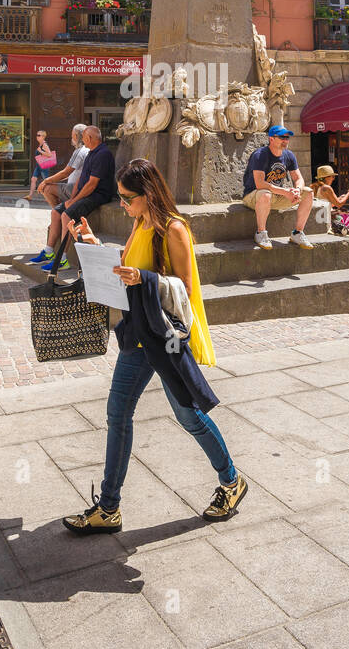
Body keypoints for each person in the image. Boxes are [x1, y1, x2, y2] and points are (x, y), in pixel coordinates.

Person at [61, 157, 248, 533]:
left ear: (148, 194)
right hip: (138, 333)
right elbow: (130, 265)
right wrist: (95, 245)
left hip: (165, 337)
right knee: (118, 413)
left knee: (189, 416)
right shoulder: (140, 221)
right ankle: (109, 506)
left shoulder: (174, 228)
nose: (124, 205)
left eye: (129, 197)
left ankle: (231, 482)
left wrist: (143, 278)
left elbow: (185, 288)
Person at [38, 124, 117, 273]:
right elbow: (81, 180)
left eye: (84, 138)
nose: (82, 140)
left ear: (90, 138)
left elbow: (92, 184)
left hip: (98, 195)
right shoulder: (91, 152)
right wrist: (72, 198)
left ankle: (62, 259)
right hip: (86, 193)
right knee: (56, 212)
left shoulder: (103, 154)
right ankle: (49, 250)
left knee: (66, 215)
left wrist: (73, 201)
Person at [243, 125, 316, 250]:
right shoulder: (260, 155)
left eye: (287, 138)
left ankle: (297, 233)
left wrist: (297, 190)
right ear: (271, 139)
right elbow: (260, 183)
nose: (286, 140)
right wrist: (285, 192)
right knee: (265, 193)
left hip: (275, 196)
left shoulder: (289, 155)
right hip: (253, 196)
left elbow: (298, 178)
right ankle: (261, 233)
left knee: (308, 193)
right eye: (282, 137)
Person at [27, 123, 89, 263]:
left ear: (77, 136)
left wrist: (46, 181)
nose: (71, 138)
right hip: (72, 186)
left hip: (74, 188)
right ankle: (49, 250)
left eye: (72, 135)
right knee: (52, 198)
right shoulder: (84, 151)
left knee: (46, 188)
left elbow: (66, 172)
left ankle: (59, 212)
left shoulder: (80, 151)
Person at [312, 164, 349, 249]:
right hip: (329, 217)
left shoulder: (318, 187)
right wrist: (348, 194)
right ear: (326, 177)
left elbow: (329, 203)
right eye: (332, 177)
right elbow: (339, 204)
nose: (333, 179)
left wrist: (340, 198)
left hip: (325, 215)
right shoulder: (327, 188)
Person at [25, 128, 55, 192]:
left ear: (43, 136)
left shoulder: (44, 145)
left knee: (46, 181)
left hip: (44, 166)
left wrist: (41, 151)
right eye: (37, 135)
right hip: (38, 165)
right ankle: (30, 195)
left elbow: (49, 155)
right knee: (33, 179)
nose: (37, 136)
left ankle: (52, 193)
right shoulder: (40, 144)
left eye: (39, 135)